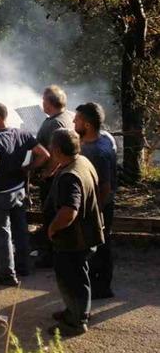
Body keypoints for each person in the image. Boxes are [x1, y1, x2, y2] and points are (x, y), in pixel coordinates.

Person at [0, 103, 49, 286]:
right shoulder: (22, 134)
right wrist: (27, 169)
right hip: (18, 190)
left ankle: (8, 274)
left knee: (2, 235)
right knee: (20, 230)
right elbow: (44, 155)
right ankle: (24, 266)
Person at [46, 129, 104, 337]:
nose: (50, 149)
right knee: (79, 277)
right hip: (88, 232)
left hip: (74, 239)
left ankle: (76, 322)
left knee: (71, 280)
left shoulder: (70, 175)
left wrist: (53, 227)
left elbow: (69, 211)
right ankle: (77, 311)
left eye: (52, 146)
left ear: (58, 149)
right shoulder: (82, 162)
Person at [73, 103, 116, 299]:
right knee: (97, 244)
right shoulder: (103, 138)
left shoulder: (97, 151)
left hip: (99, 206)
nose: (73, 121)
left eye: (77, 119)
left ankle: (101, 287)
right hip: (94, 205)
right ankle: (94, 284)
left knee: (100, 244)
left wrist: (95, 210)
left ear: (88, 125)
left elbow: (105, 187)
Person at [35, 85, 75, 268]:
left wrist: (47, 172)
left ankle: (51, 255)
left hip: (54, 178)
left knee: (51, 213)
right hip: (65, 173)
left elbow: (55, 153)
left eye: (43, 100)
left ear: (49, 103)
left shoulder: (54, 123)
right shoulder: (69, 116)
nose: (42, 103)